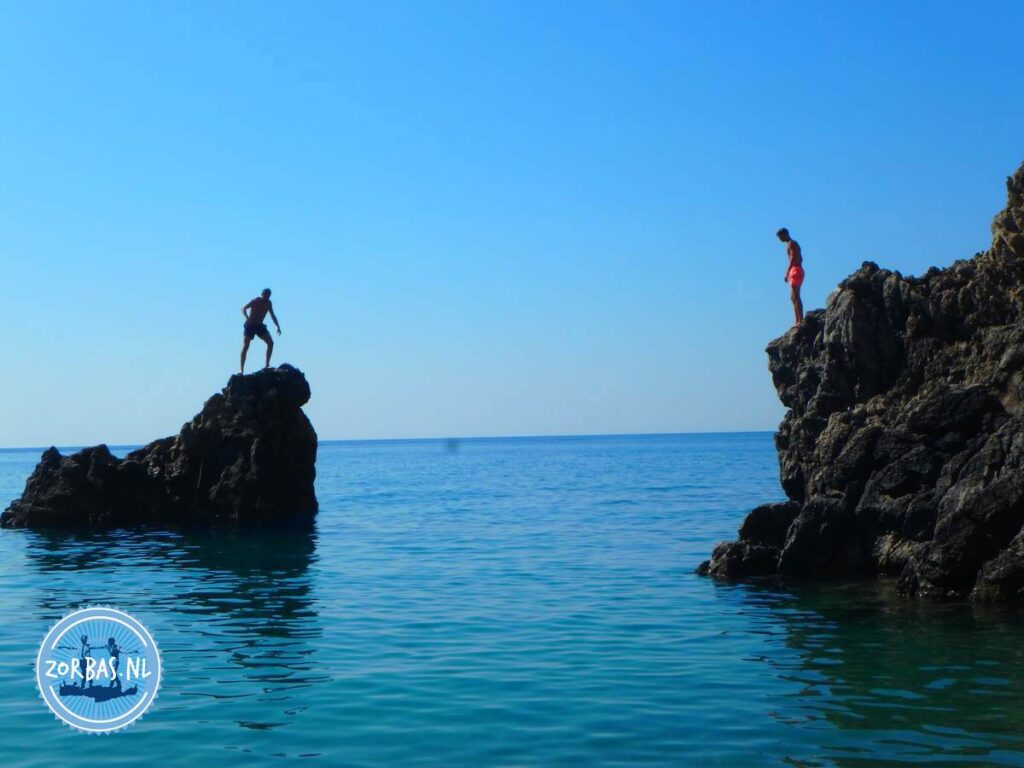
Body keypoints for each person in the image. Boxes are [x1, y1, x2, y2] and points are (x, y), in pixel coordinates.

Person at [240, 288, 282, 373]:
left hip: (259, 325)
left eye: (268, 295)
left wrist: (278, 326)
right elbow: (243, 308)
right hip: (250, 325)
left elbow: (272, 315)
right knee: (246, 346)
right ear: (262, 294)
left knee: (270, 343)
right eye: (265, 295)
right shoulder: (256, 300)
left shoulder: (268, 303)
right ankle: (241, 370)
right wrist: (246, 318)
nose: (267, 297)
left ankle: (267, 364)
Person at [776, 228, 804, 326]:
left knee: (795, 296)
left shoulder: (791, 243)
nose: (779, 239)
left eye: (780, 237)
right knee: (793, 297)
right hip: (797, 269)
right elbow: (801, 258)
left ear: (785, 234)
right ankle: (797, 320)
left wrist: (787, 272)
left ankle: (800, 320)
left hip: (795, 270)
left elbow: (793, 257)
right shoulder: (793, 243)